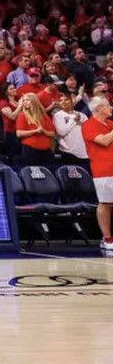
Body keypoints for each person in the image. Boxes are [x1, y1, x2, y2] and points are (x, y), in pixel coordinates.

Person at [79, 96, 113, 257]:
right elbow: (104, 141)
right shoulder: (88, 125)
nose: (111, 108)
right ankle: (107, 238)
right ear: (98, 108)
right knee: (105, 203)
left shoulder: (110, 124)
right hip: (103, 170)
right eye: (108, 105)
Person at [15, 93, 56, 167]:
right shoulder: (22, 115)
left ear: (34, 101)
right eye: (23, 100)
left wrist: (44, 131)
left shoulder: (44, 116)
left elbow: (52, 134)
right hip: (30, 149)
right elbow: (19, 133)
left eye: (27, 100)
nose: (25, 102)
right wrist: (35, 131)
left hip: (46, 149)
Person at [52, 95, 89, 168]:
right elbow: (61, 132)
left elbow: (89, 130)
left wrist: (79, 121)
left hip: (84, 153)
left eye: (66, 99)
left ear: (73, 101)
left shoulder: (82, 115)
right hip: (68, 152)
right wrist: (74, 120)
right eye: (60, 100)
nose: (63, 102)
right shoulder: (58, 115)